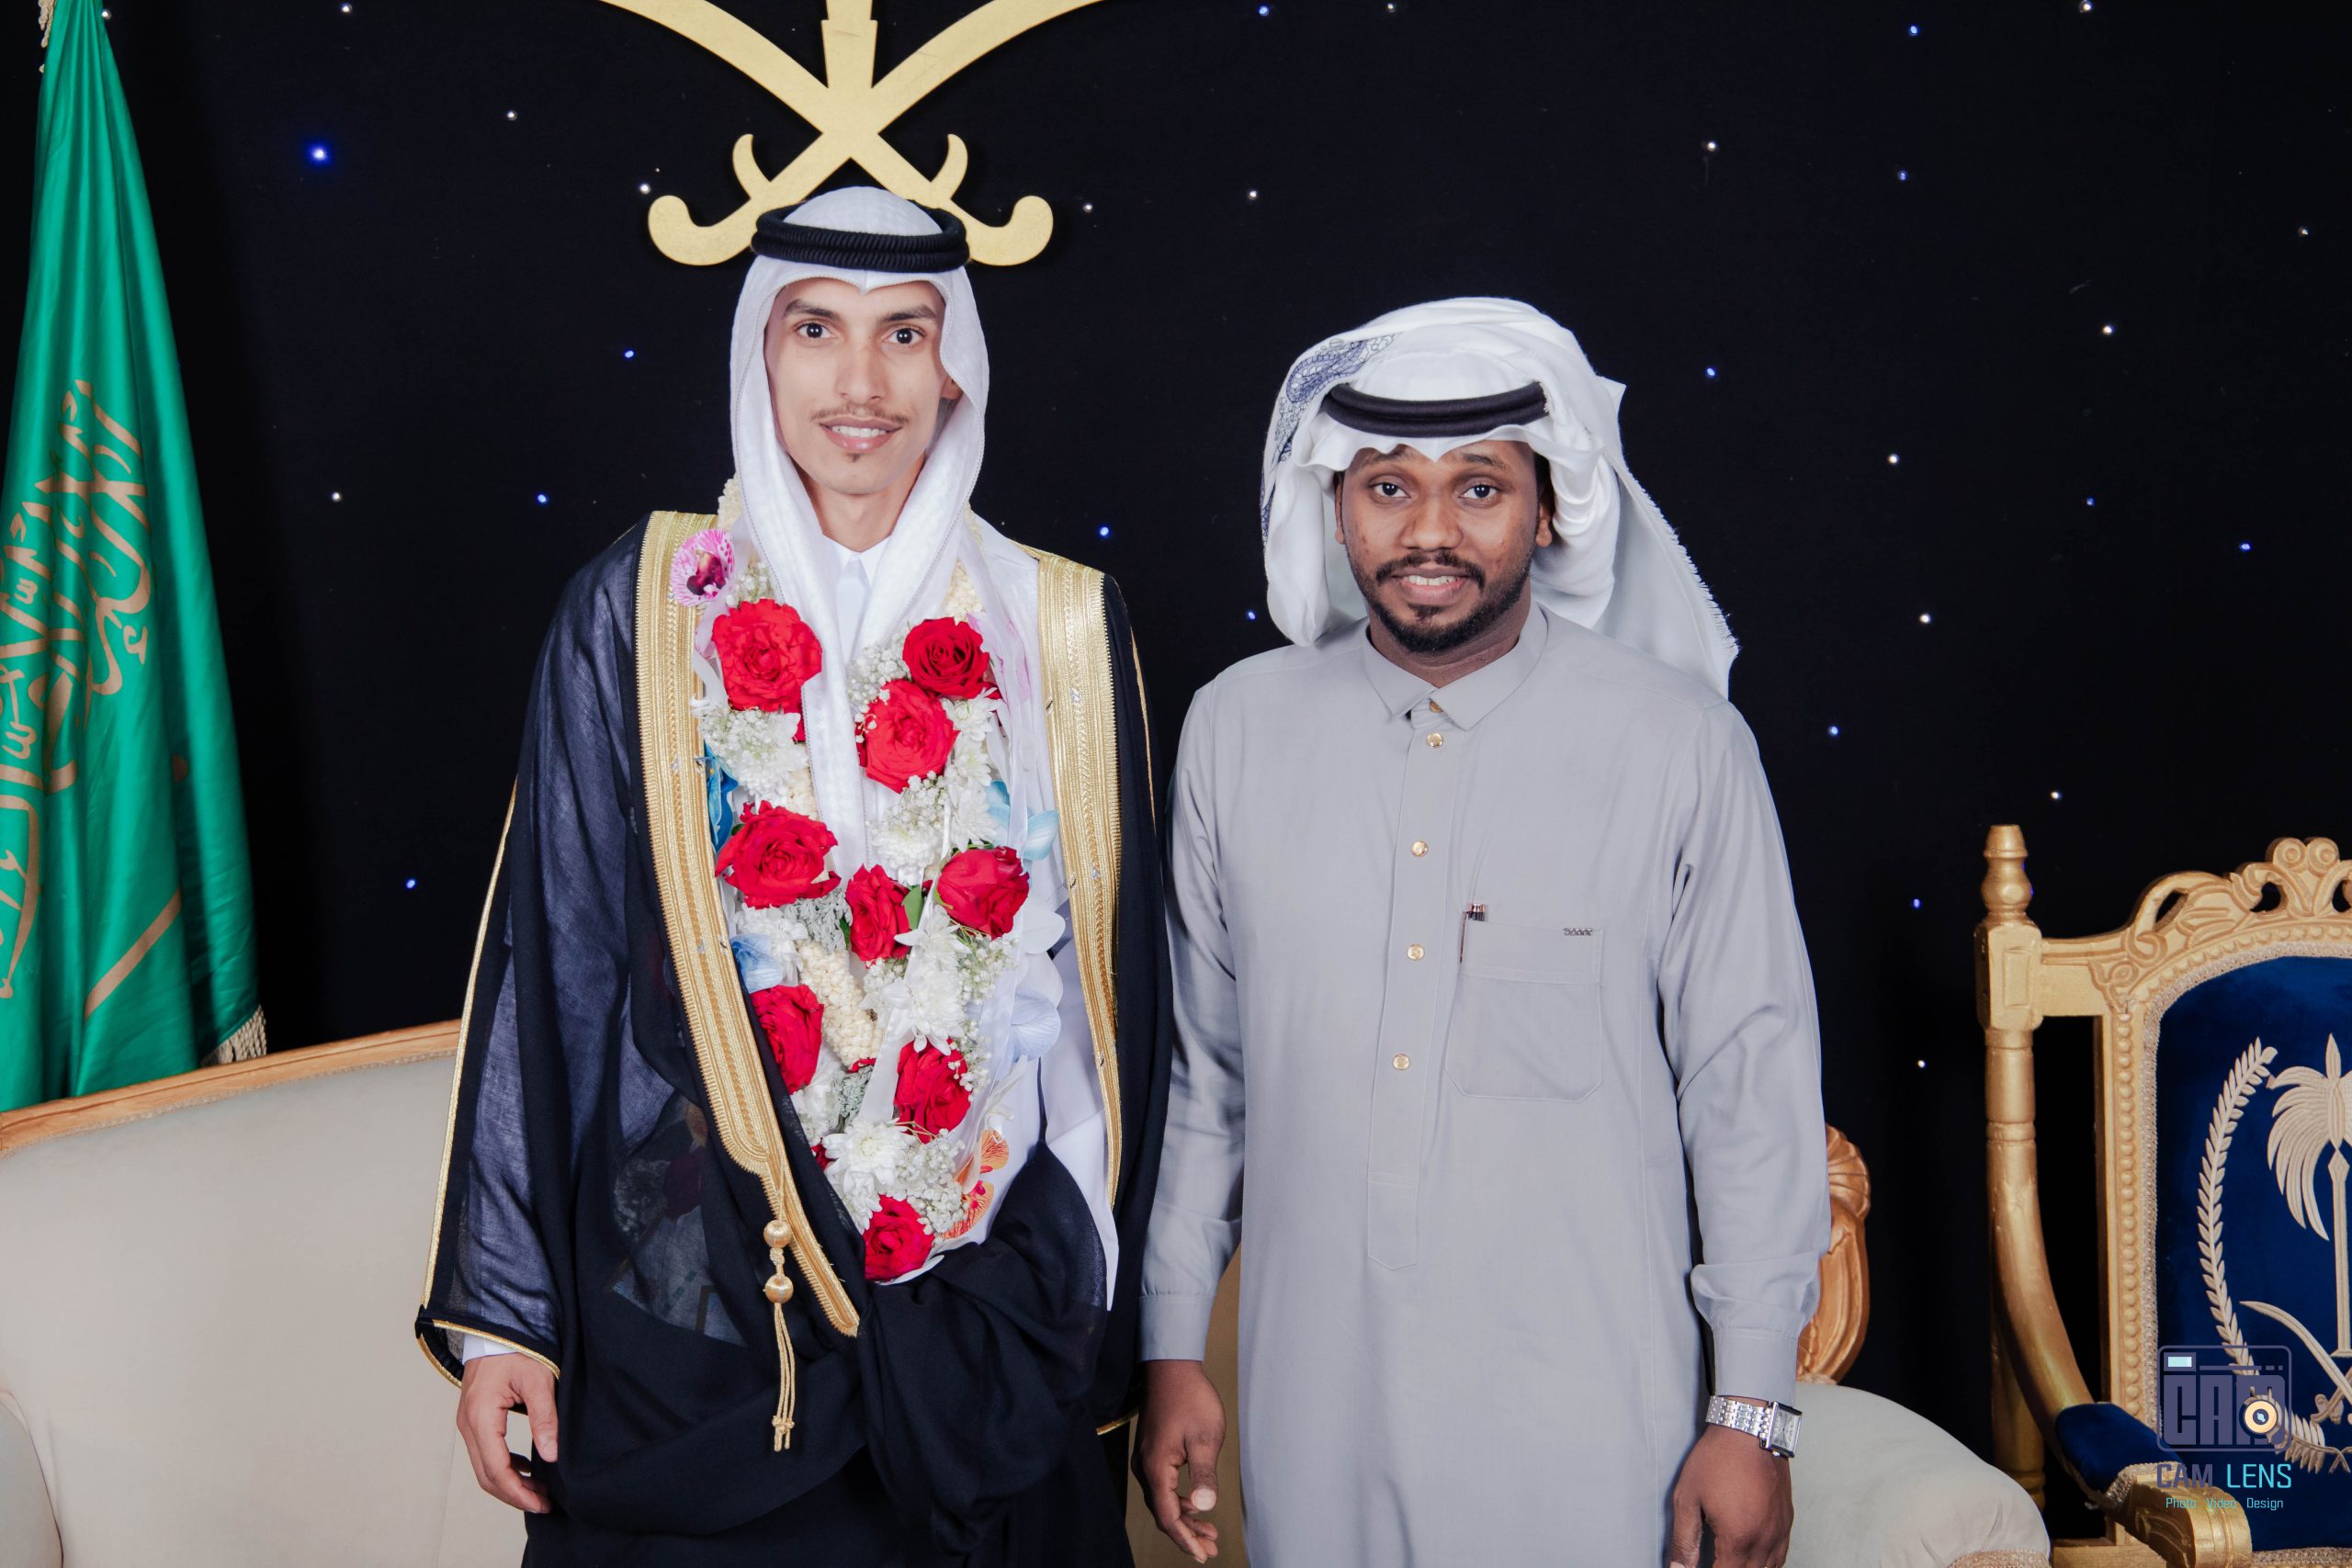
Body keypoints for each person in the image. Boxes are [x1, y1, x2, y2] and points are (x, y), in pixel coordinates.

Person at [415, 186, 1170, 1567]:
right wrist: (509, 1316)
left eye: (905, 334)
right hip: (702, 1311)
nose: (861, 384)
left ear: (957, 364)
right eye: (816, 329)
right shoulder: (642, 606)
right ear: (759, 351)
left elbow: (1103, 1001)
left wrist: (1071, 1277)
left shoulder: (1054, 621)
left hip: (981, 1307)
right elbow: (557, 959)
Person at [1133, 299, 1830, 1568]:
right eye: (1389, 487)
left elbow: (1750, 1092)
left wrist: (1751, 1416)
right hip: (1313, 1418)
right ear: (1335, 508)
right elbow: (1203, 1078)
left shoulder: (1679, 744)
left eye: (1480, 488)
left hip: (1597, 1430)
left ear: (1548, 509)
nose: (1430, 532)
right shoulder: (1234, 729)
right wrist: (1172, 1347)